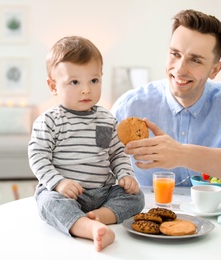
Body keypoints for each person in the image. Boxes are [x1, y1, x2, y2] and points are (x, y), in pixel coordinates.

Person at [110, 9, 221, 189]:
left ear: (215, 70)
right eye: (175, 54)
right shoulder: (129, 105)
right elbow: (92, 160)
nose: (180, 70)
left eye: (195, 60)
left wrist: (181, 154)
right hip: (144, 211)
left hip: (217, 214)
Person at [28, 36, 145, 252]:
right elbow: (38, 156)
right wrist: (58, 183)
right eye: (75, 82)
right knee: (47, 202)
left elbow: (115, 154)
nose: (86, 90)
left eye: (93, 81)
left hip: (102, 193)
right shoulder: (51, 120)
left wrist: (125, 175)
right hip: (66, 194)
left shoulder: (105, 119)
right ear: (53, 86)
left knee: (136, 197)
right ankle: (88, 227)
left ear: (101, 77)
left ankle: (101, 216)